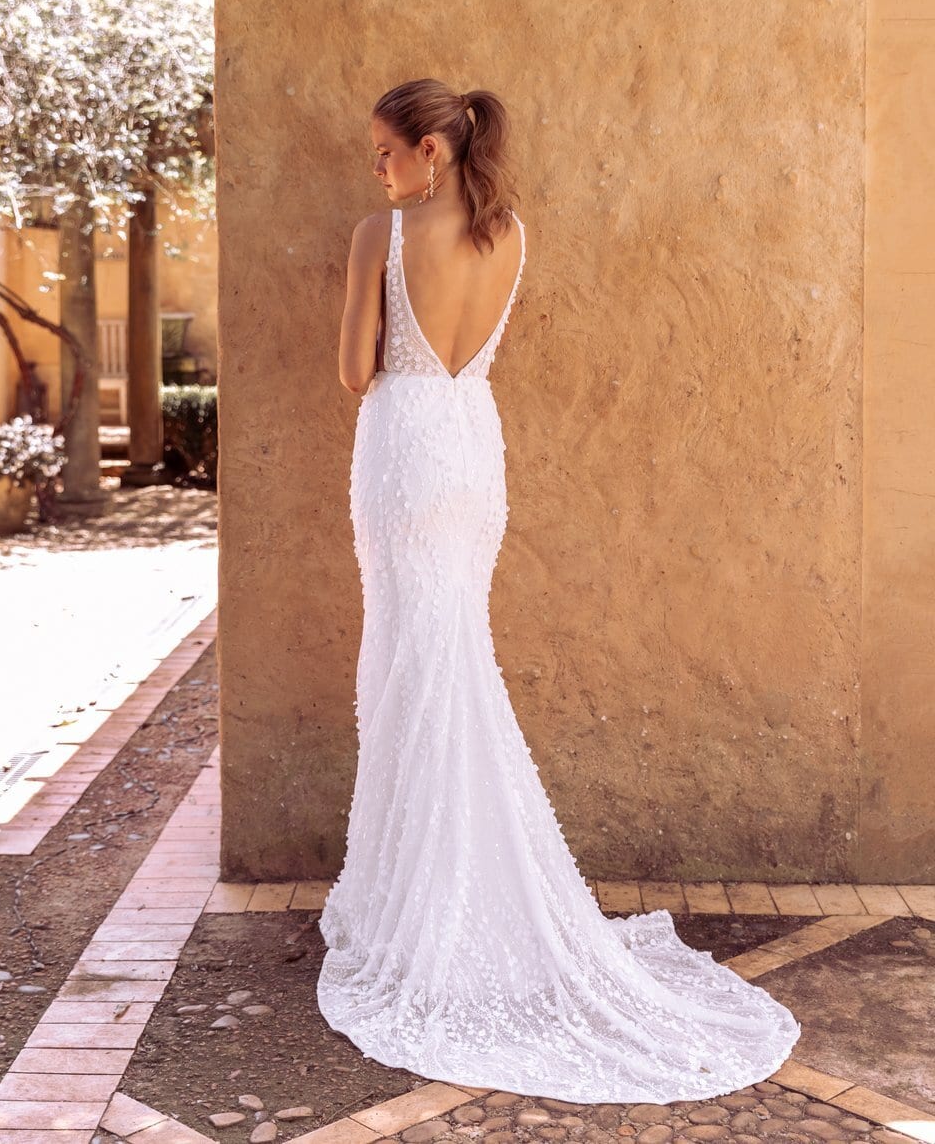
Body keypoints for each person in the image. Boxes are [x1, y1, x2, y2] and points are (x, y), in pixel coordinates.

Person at [316, 77, 800, 1103]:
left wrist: (367, 299)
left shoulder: (378, 236)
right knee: (452, 658)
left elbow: (356, 371)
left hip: (402, 446)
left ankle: (418, 904)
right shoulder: (511, 237)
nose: (378, 169)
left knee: (408, 666)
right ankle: (436, 886)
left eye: (386, 152)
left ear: (432, 152)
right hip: (471, 452)